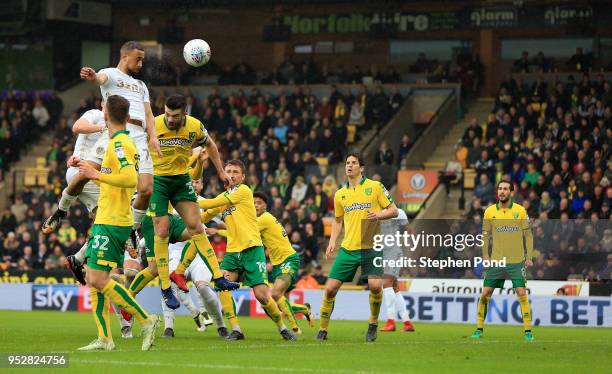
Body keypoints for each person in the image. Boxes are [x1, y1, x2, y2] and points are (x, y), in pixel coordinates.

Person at [43, 41, 160, 258]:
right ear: (125, 57)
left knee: (146, 190)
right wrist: (92, 76)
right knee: (82, 176)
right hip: (113, 133)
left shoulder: (141, 86)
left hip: (139, 137)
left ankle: (131, 229)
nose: (141, 63)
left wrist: (153, 137)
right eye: (138, 59)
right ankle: (61, 210)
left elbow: (149, 115)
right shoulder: (110, 74)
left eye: (142, 59)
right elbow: (99, 79)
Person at [76, 94, 159, 351]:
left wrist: (94, 173)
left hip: (113, 220)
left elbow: (130, 179)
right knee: (93, 276)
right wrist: (89, 169)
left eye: (102, 107)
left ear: (106, 113)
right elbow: (115, 176)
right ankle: (104, 338)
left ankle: (146, 319)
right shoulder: (116, 141)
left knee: (99, 279)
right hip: (107, 217)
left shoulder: (120, 143)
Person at [140, 93, 236, 309]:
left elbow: (210, 145)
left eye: (175, 116)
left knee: (196, 226)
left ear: (184, 113)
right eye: (167, 114)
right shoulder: (153, 125)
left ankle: (218, 277)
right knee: (162, 230)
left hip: (181, 179)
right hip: (159, 181)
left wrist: (221, 172)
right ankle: (165, 287)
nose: (170, 119)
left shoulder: (194, 126)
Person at [187, 160, 297, 341]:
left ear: (243, 177)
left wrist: (190, 195)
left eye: (235, 172)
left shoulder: (244, 191)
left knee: (262, 296)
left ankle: (282, 327)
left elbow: (210, 203)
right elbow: (204, 215)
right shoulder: (225, 197)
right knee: (221, 285)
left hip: (252, 249)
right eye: (228, 171)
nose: (231, 174)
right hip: (233, 252)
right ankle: (236, 329)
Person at [317, 153, 398, 342]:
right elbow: (337, 221)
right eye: (347, 163)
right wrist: (332, 241)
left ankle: (372, 324)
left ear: (361, 168)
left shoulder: (375, 187)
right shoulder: (339, 194)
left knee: (375, 287)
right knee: (329, 289)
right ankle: (322, 330)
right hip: (348, 249)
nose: (350, 165)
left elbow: (393, 209)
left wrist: (379, 215)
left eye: (354, 163)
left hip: (371, 248)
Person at [470, 180, 535, 342]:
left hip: (516, 260)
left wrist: (529, 256)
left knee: (521, 292)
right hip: (496, 260)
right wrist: (485, 255)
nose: (502, 192)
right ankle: (479, 329)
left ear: (511, 192)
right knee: (485, 294)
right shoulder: (490, 211)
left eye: (505, 189)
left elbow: (528, 235)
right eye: (500, 189)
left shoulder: (520, 211)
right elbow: (485, 236)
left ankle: (528, 331)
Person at [252, 191, 314, 334]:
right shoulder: (262, 219)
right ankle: (305, 309)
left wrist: (222, 228)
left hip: (288, 259)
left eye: (259, 203)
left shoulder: (264, 219)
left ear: (265, 206)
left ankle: (295, 327)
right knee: (280, 303)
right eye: (254, 203)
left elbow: (243, 233)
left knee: (275, 294)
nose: (256, 205)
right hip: (277, 264)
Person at [380, 208, 415, 332]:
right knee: (394, 287)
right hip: (382, 253)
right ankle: (407, 322)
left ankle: (391, 321)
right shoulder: (374, 211)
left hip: (394, 252)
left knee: (386, 283)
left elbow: (409, 230)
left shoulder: (398, 212)